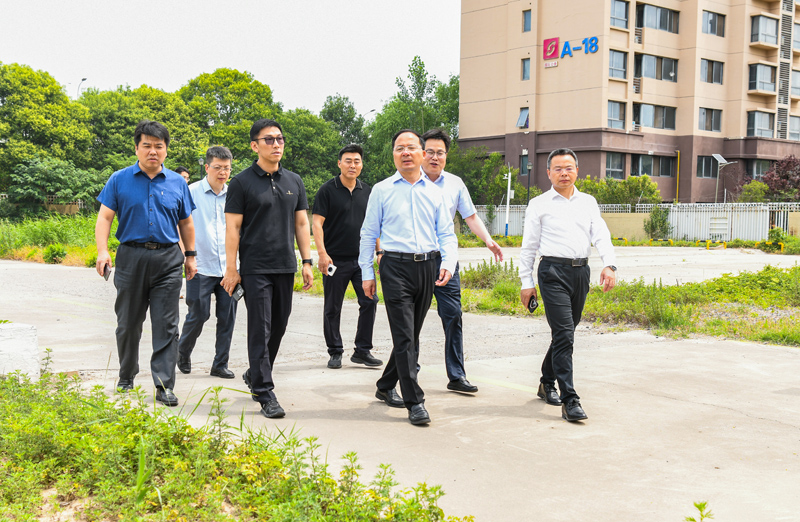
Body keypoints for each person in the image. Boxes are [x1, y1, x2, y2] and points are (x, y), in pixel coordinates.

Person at [95, 120, 197, 407]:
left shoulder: (177, 182)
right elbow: (105, 217)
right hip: (131, 257)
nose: (153, 151)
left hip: (168, 259)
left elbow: (186, 223)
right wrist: (102, 251)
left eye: (159, 146)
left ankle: (164, 385)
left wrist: (190, 256)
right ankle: (126, 375)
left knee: (167, 324)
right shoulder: (119, 179)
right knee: (128, 323)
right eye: (147, 146)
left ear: (166, 150)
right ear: (137, 148)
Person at [360, 129, 458, 426]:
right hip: (395, 267)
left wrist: (448, 262)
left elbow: (446, 233)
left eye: (411, 147)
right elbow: (368, 233)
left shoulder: (436, 192)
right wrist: (367, 273)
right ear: (393, 154)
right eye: (399, 148)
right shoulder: (382, 190)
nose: (405, 152)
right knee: (404, 336)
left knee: (410, 335)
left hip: (428, 267)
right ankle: (415, 401)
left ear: (422, 154)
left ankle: (385, 385)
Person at [221, 118, 313, 419]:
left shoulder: (294, 181)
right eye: (269, 139)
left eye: (279, 139)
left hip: (285, 265)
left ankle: (255, 373)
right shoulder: (241, 182)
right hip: (255, 267)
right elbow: (233, 228)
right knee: (260, 328)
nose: (276, 144)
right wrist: (232, 268)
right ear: (254, 145)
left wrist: (307, 261)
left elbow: (302, 223)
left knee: (279, 325)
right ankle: (264, 391)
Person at [519, 148, 617, 422]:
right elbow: (529, 247)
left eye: (569, 168)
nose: (564, 173)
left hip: (580, 272)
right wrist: (527, 282)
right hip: (552, 272)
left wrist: (609, 264)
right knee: (564, 334)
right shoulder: (538, 204)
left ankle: (546, 382)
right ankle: (570, 400)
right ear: (548, 173)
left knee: (565, 334)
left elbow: (601, 235)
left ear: (577, 171)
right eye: (558, 169)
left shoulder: (588, 202)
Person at [420, 129, 503, 394]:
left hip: (446, 260)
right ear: (421, 153)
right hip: (416, 261)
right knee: (411, 320)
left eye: (440, 153)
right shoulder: (409, 181)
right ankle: (408, 371)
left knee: (453, 315)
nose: (435, 157)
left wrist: (488, 240)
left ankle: (456, 376)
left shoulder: (455, 183)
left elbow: (470, 216)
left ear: (446, 156)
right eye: (430, 152)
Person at [312, 144, 382, 370]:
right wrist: (322, 254)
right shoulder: (327, 190)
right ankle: (335, 351)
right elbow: (317, 223)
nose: (353, 165)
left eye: (357, 161)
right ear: (339, 163)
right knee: (332, 307)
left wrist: (379, 251)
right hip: (335, 260)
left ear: (361, 165)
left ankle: (362, 350)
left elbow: (374, 224)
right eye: (348, 161)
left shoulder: (367, 191)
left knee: (369, 301)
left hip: (362, 261)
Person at [176, 146, 238, 379]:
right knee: (199, 314)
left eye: (227, 168)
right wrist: (186, 255)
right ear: (207, 168)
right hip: (200, 265)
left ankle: (220, 364)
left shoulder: (234, 194)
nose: (223, 173)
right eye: (218, 167)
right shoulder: (190, 192)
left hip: (229, 268)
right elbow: (178, 225)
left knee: (227, 318)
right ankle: (183, 352)